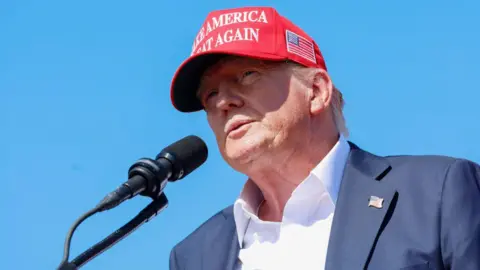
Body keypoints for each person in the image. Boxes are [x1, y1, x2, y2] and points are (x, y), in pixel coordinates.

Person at [167, 6, 480, 270]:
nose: (223, 102)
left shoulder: (438, 193)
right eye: (209, 95)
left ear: (316, 92)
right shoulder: (195, 256)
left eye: (248, 75)